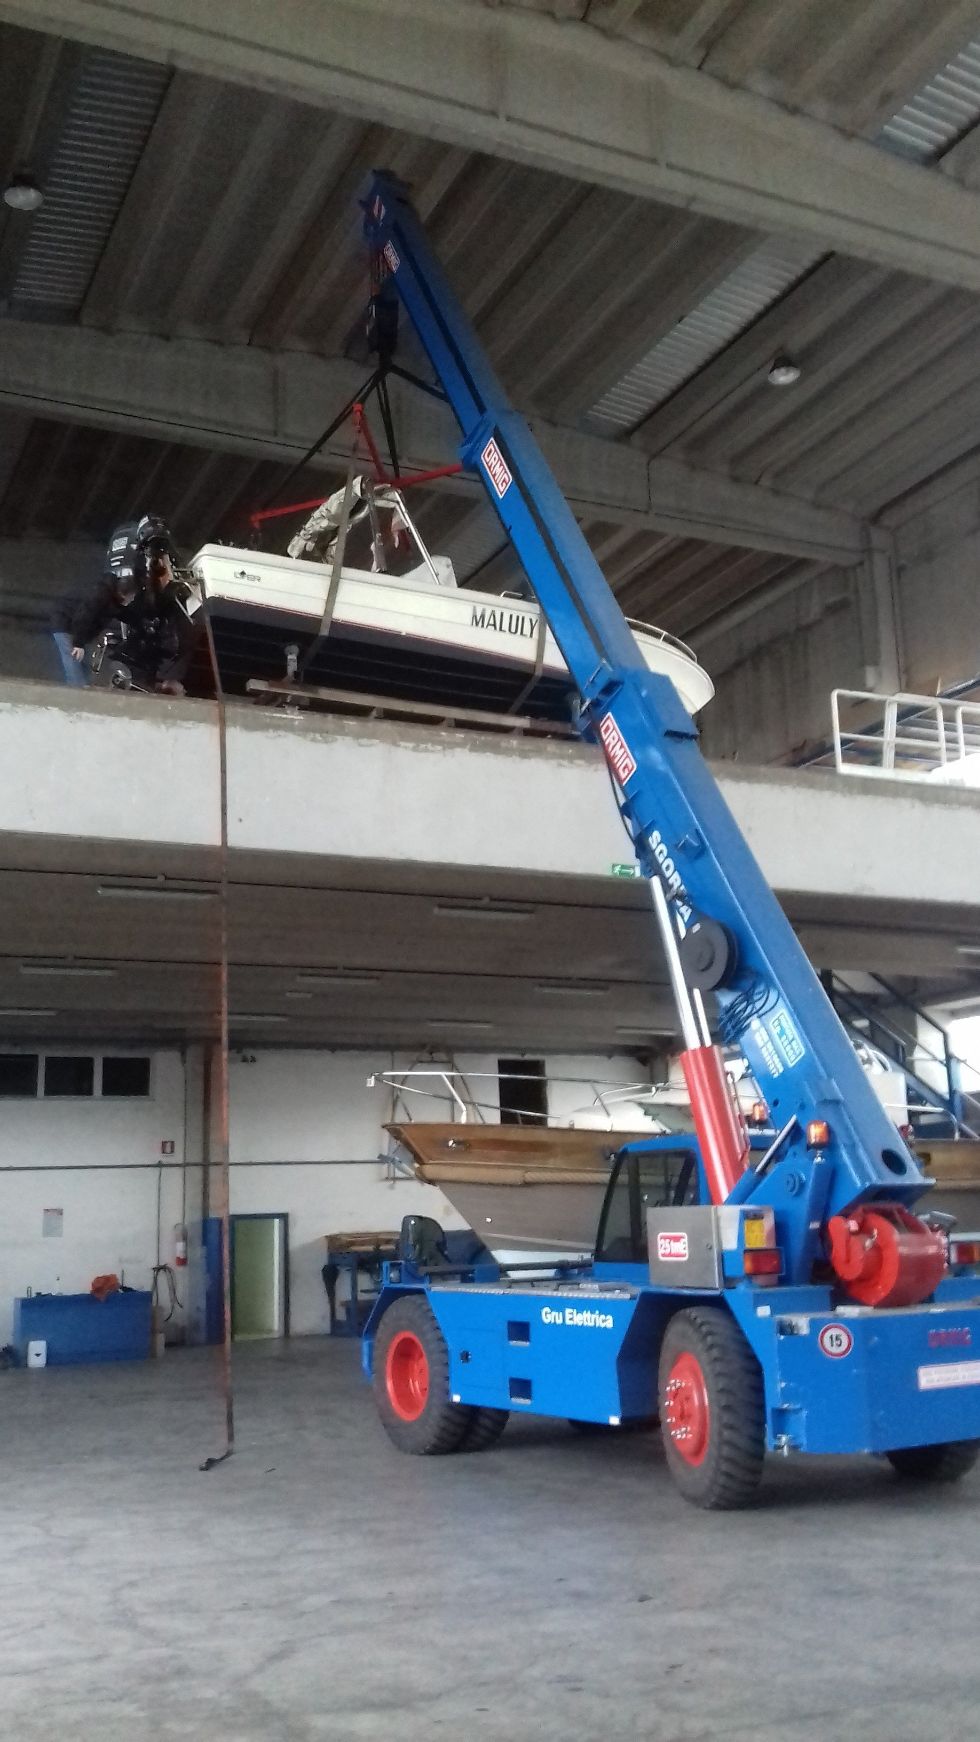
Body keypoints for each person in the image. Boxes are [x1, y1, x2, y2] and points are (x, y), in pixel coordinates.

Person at [51, 515, 197, 694]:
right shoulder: (102, 594)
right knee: (74, 664)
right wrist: (79, 642)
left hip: (76, 624)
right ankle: (77, 697)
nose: (129, 602)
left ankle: (81, 691)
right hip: (65, 622)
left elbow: (131, 615)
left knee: (82, 670)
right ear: (122, 593)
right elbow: (86, 612)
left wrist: (147, 625)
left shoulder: (117, 598)